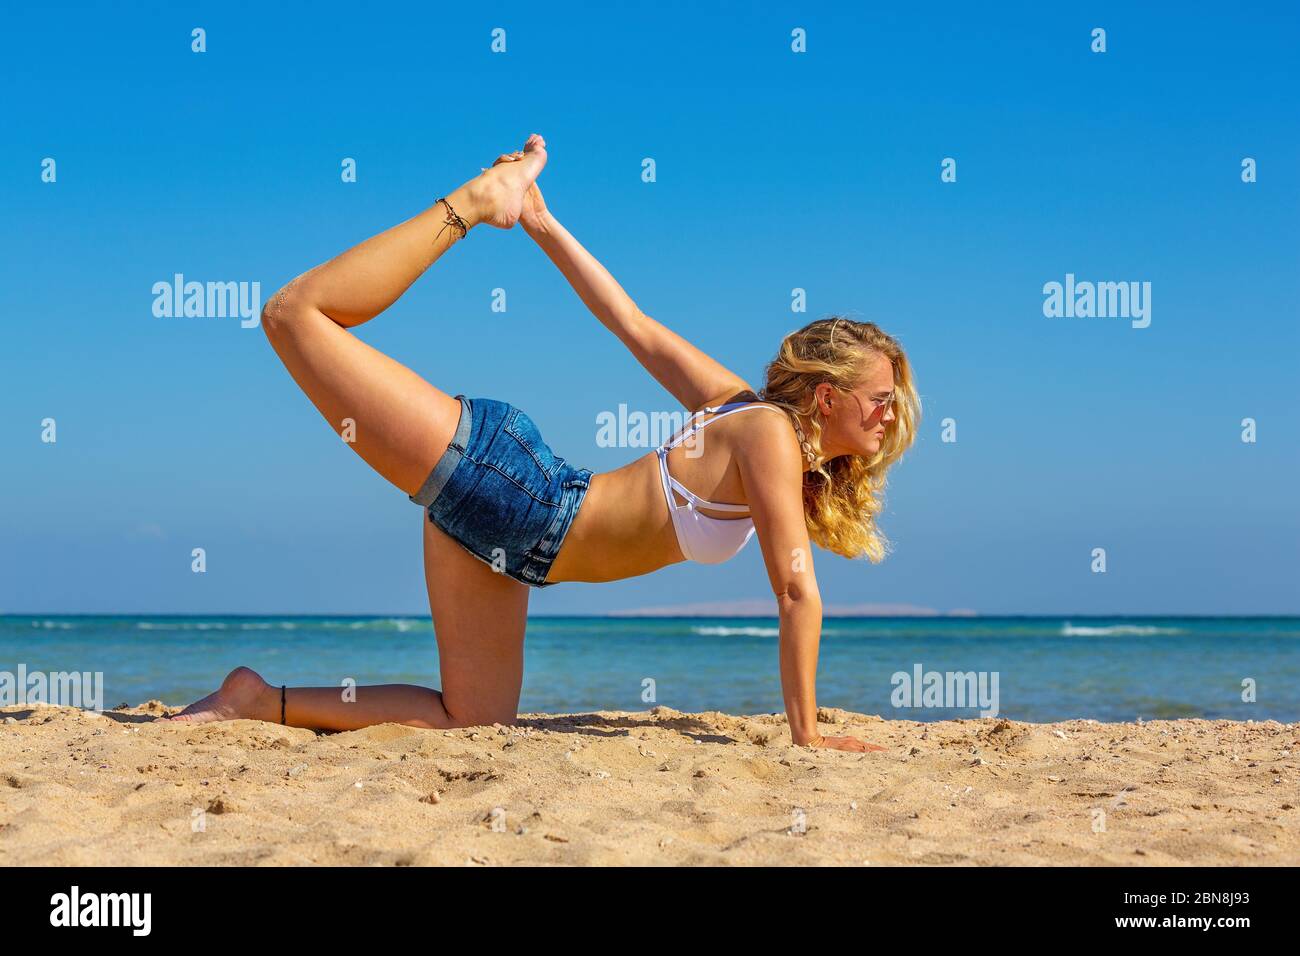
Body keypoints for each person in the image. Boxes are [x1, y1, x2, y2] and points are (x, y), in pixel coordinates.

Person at [171, 135, 919, 752]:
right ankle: (466, 204)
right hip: (519, 494)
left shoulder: (741, 409)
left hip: (514, 541)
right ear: (828, 396)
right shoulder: (769, 435)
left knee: (472, 721)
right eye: (880, 400)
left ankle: (256, 700)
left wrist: (544, 223)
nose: (889, 417)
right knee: (295, 315)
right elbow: (795, 592)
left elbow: (636, 325)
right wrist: (807, 734)